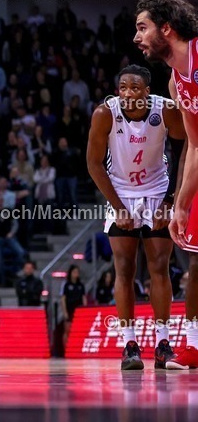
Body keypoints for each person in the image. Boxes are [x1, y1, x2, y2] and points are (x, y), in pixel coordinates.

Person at [85, 63, 183, 369]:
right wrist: (118, 206)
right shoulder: (105, 113)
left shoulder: (165, 110)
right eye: (123, 88)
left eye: (135, 88)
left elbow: (184, 151)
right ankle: (129, 346)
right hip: (121, 192)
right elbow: (94, 164)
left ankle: (163, 344)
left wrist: (170, 199)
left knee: (159, 267)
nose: (128, 93)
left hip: (157, 190)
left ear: (147, 92)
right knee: (124, 268)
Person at [134, 0, 198, 369]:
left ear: (167, 28)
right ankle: (193, 344)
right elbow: (195, 145)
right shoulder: (177, 83)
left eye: (143, 28)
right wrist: (181, 204)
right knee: (196, 256)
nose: (136, 37)